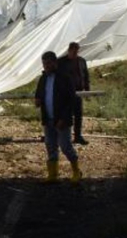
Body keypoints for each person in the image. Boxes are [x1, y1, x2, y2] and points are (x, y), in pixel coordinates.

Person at [35, 51, 82, 183]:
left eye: (49, 63)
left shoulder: (65, 77)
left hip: (62, 119)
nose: (46, 66)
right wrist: (38, 100)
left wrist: (64, 118)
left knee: (65, 146)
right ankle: (53, 174)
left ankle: (76, 171)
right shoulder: (43, 78)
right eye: (44, 63)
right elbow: (39, 93)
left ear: (55, 63)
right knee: (50, 145)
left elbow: (71, 100)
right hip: (48, 118)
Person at [58, 42, 90, 145]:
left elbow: (85, 76)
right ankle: (62, 136)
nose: (75, 53)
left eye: (77, 51)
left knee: (78, 115)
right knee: (66, 115)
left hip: (78, 93)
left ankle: (77, 136)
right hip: (66, 94)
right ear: (69, 50)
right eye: (73, 51)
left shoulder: (81, 61)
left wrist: (87, 91)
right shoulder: (61, 62)